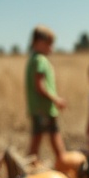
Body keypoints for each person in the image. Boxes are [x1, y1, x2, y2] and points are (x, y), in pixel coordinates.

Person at [25, 25, 67, 164]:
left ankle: (29, 164)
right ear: (38, 42)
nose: (51, 48)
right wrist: (56, 100)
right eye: (49, 44)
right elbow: (40, 86)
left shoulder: (33, 59)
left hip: (37, 108)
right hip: (45, 108)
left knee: (38, 137)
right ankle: (64, 163)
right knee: (54, 135)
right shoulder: (40, 61)